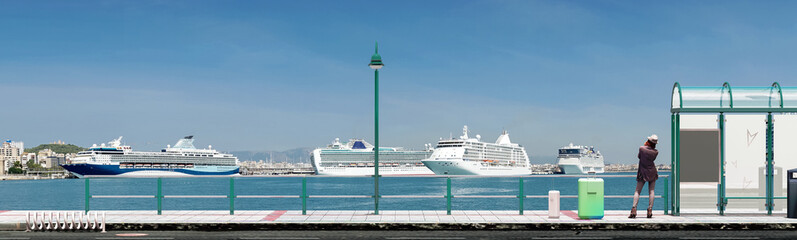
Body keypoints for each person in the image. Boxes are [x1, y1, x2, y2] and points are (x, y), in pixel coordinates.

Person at [629, 134, 659, 219]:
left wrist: (645, 145)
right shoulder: (656, 152)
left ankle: (634, 210)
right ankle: (650, 210)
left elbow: (639, 157)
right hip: (652, 171)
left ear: (648, 141)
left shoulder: (642, 148)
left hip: (642, 172)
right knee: (651, 191)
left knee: (637, 191)